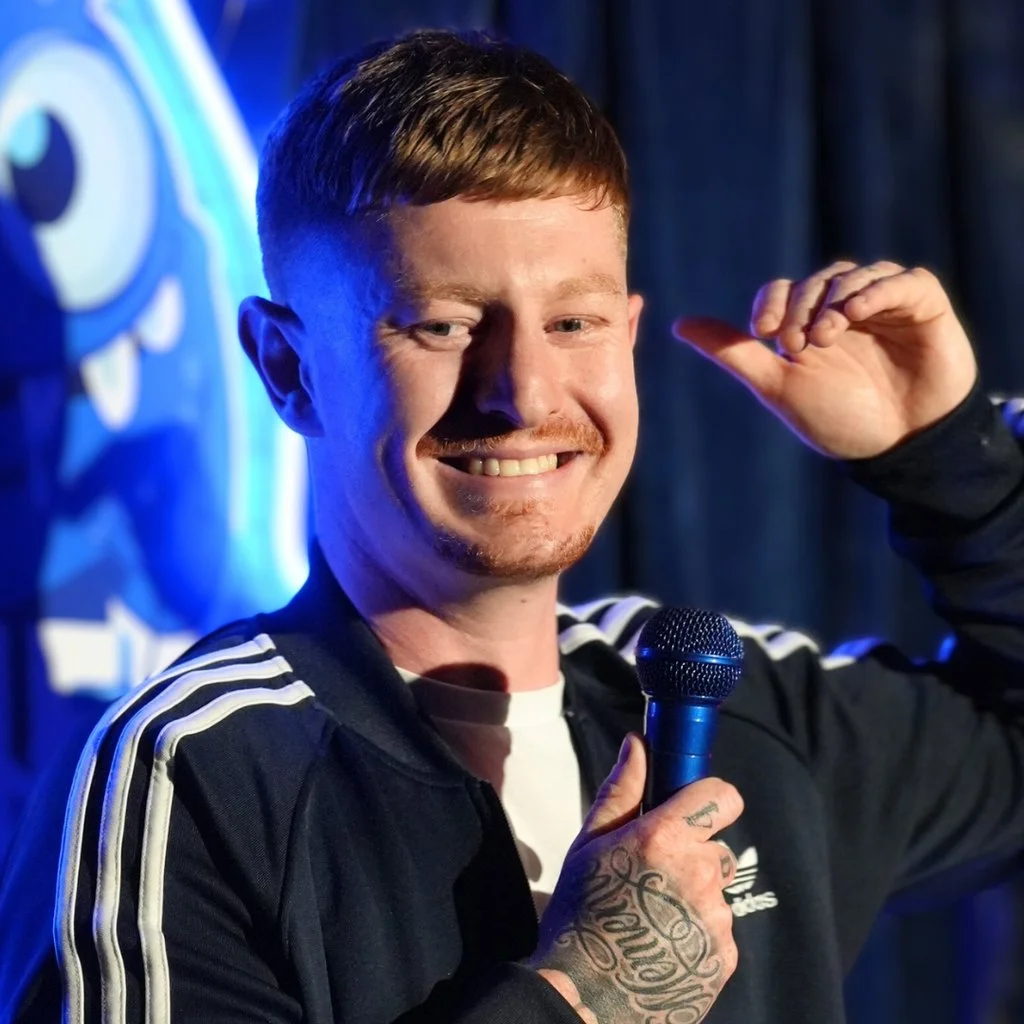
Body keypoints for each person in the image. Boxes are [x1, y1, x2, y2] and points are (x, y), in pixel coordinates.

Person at [3, 27, 1024, 1024]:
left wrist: (949, 461)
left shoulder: (742, 710)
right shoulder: (190, 776)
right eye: (443, 325)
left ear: (626, 336)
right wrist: (578, 996)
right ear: (288, 366)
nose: (523, 391)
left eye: (573, 323)